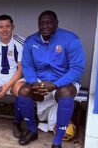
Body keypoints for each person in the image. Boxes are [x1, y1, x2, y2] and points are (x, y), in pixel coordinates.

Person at [19, 10, 85, 147]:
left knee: (65, 93)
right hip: (39, 79)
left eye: (49, 22)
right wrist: (32, 82)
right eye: (41, 23)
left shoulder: (71, 39)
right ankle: (32, 130)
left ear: (56, 23)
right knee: (23, 91)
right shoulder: (31, 41)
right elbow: (27, 64)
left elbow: (77, 69)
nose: (45, 26)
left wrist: (55, 85)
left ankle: (57, 141)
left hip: (64, 81)